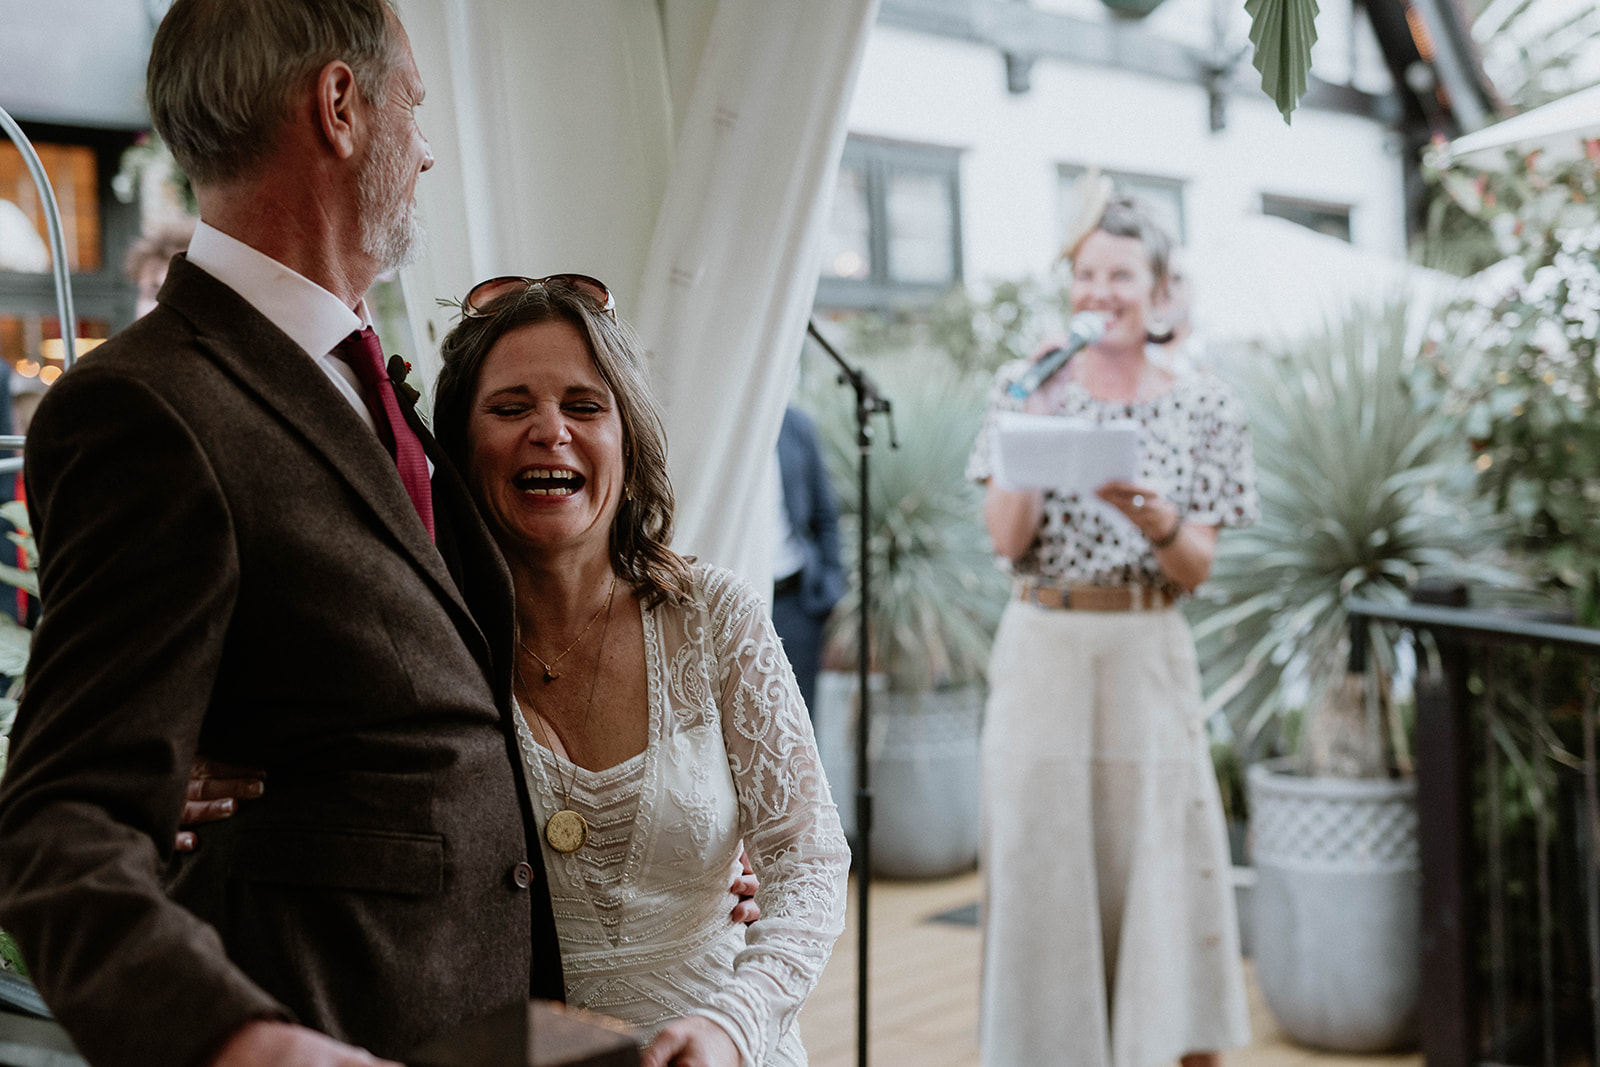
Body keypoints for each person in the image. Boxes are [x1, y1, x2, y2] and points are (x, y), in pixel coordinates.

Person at [0, 3, 567, 1065]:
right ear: (341, 106)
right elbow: (63, 823)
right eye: (416, 106)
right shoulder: (147, 409)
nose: (431, 152)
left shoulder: (369, 377)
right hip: (336, 1025)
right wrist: (241, 1043)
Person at [429, 275, 850, 1067]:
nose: (550, 430)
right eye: (511, 406)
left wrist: (736, 1019)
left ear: (628, 436)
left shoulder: (712, 614)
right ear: (458, 442)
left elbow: (810, 861)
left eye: (585, 405)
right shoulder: (429, 633)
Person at [966, 195, 1257, 1067]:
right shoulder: (1024, 383)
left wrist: (1157, 515)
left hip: (1146, 647)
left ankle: (1164, 1044)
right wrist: (1035, 419)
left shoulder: (1205, 403)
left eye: (1120, 274)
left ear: (1160, 289)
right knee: (1041, 851)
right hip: (1045, 641)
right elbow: (1005, 539)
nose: (1100, 290)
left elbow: (1197, 566)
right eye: (1086, 273)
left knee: (1160, 853)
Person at [771, 404, 845, 713]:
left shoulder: (796, 425)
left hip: (794, 602)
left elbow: (824, 513)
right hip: (727, 599)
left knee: (798, 724)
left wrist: (830, 586)